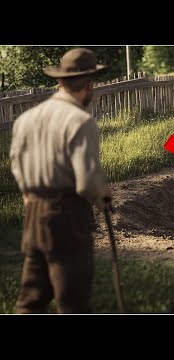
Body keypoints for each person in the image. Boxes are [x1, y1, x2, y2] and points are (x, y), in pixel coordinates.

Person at [9, 48, 112, 313]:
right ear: (89, 84)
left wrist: (30, 198)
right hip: (67, 214)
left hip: (33, 212)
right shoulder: (80, 121)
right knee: (72, 298)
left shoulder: (25, 119)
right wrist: (104, 200)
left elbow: (17, 165)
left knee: (32, 297)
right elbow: (87, 180)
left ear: (60, 82)